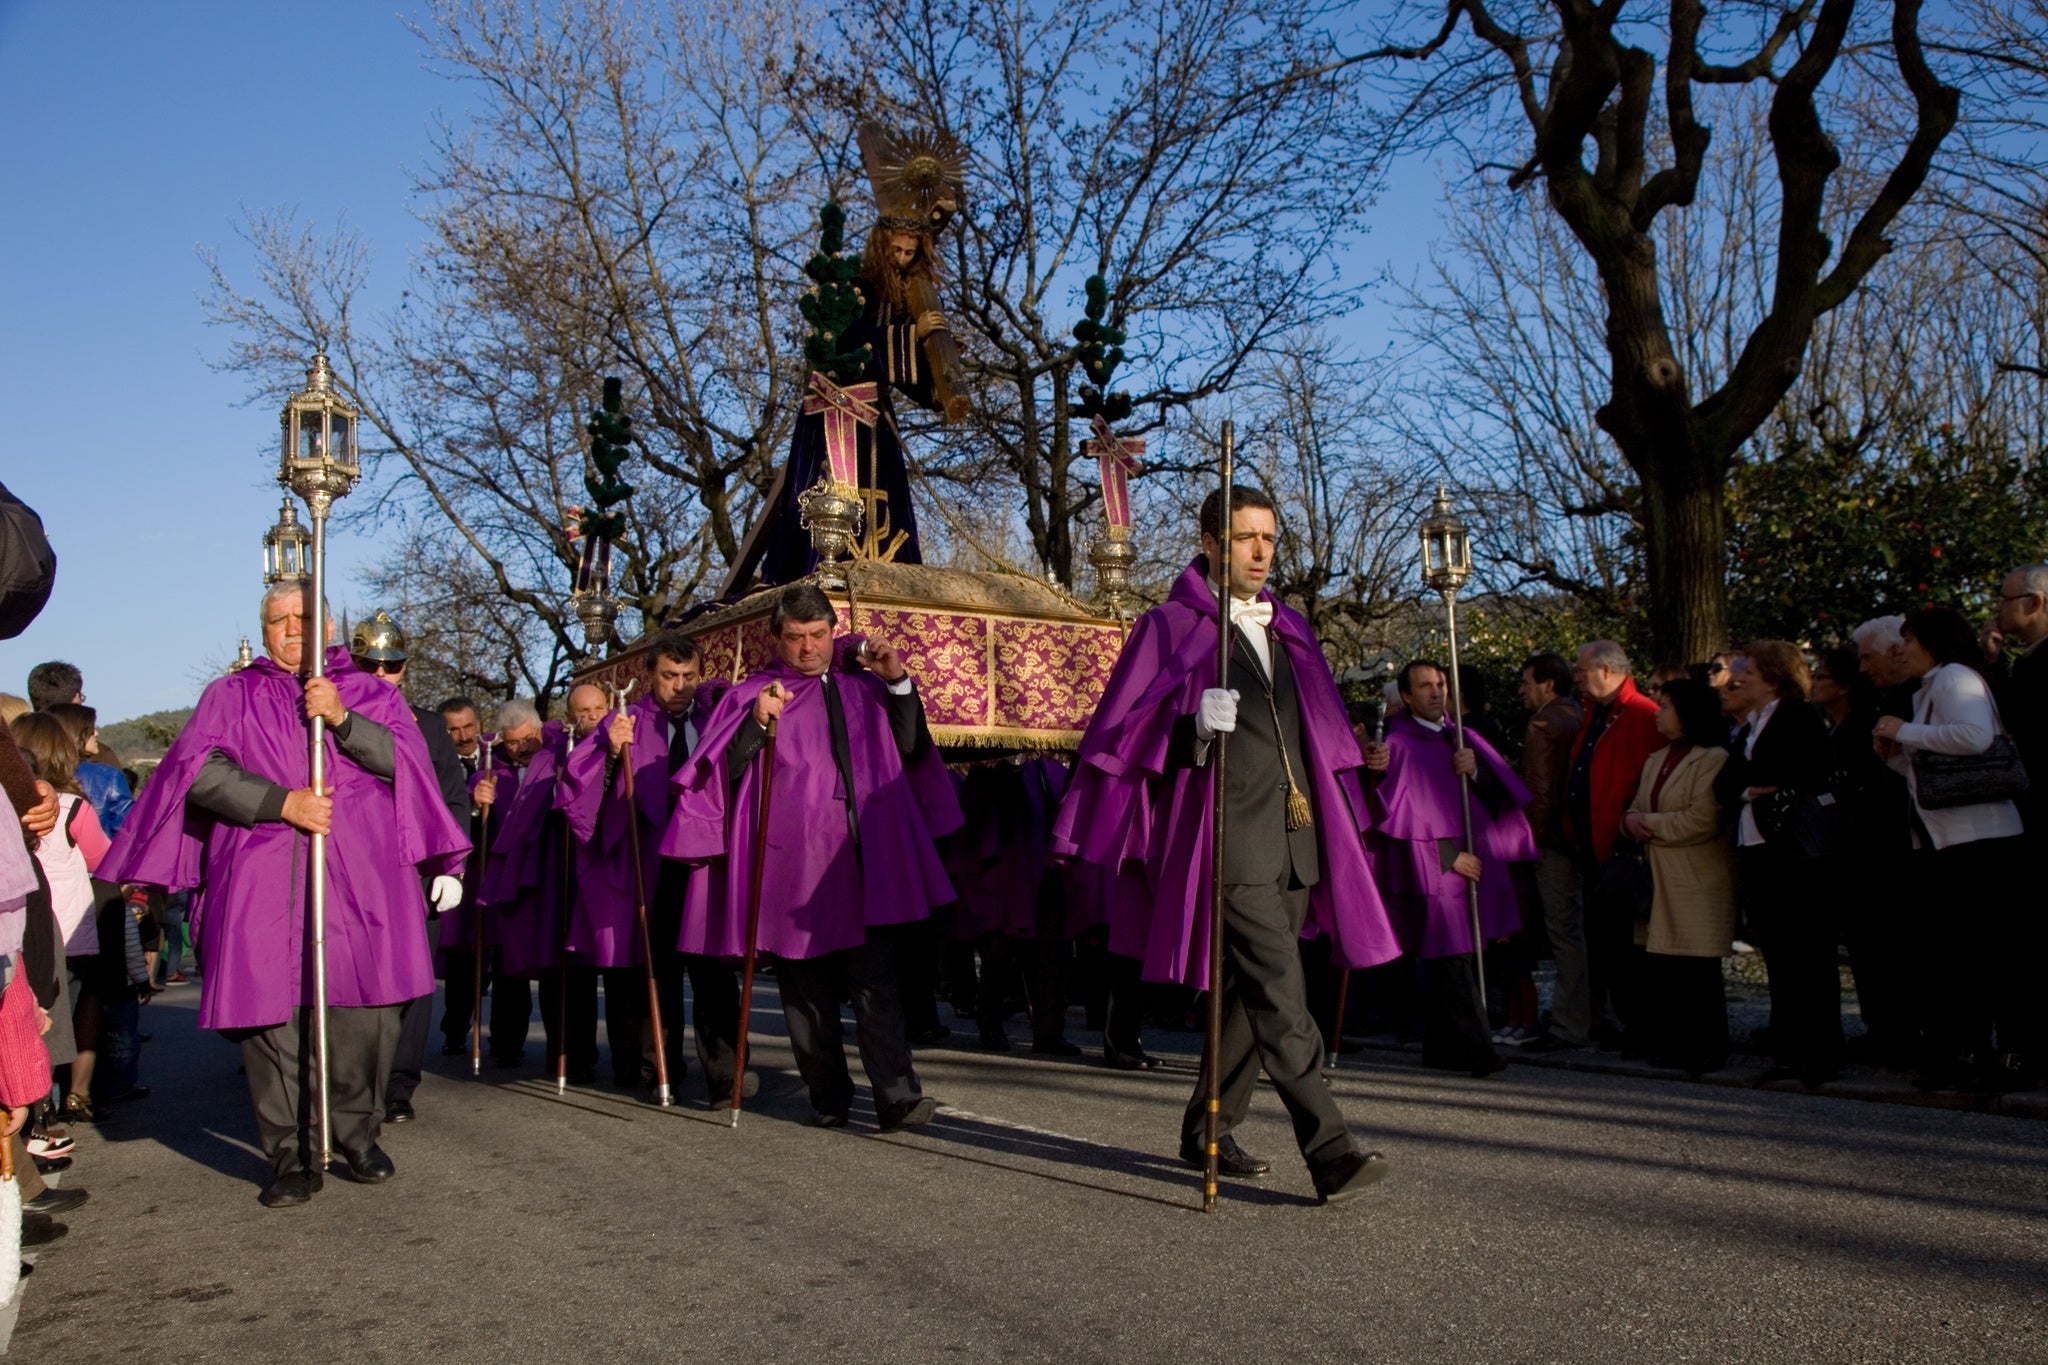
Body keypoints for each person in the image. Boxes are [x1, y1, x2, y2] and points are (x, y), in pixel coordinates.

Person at [1052, 485, 1399, 1205]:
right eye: (1245, 537)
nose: (1262, 551)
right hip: (1228, 841)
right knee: (1280, 990)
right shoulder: (1169, 627)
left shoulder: (1289, 629)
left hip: (1295, 839)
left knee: (1246, 994)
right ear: (1210, 543)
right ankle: (1329, 1147)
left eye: (1269, 537)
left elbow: (1318, 735)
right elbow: (1119, 733)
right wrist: (1191, 730)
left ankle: (1208, 1125)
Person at [98, 580, 469, 1207]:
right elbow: (198, 770)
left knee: (365, 1011)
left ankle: (357, 1131)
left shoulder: (371, 693)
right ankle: (292, 1154)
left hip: (362, 877)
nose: (292, 628)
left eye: (304, 617)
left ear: (328, 625)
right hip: (263, 871)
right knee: (269, 1018)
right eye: (279, 619)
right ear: (264, 629)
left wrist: (343, 720)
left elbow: (407, 765)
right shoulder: (230, 694)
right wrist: (281, 802)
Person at [663, 584, 961, 1129]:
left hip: (858, 858)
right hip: (791, 864)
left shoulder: (863, 686)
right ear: (775, 637)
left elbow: (912, 746)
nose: (808, 648)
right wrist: (756, 722)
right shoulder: (754, 693)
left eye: (818, 635)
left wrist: (897, 682)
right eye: (796, 638)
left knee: (876, 982)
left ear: (833, 631)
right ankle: (828, 1095)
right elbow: (720, 775)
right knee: (806, 992)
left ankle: (898, 1095)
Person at [1873, 607, 2032, 1092]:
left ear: (1934, 642)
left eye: (1910, 639)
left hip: (1980, 839)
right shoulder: (1934, 686)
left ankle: (2006, 1057)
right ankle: (1966, 1053)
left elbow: (1974, 737)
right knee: (1960, 954)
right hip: (1952, 837)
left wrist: (1903, 731)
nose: (1903, 649)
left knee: (1985, 953)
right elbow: (1942, 776)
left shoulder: (1954, 678)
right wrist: (1899, 758)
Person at [1362, 661, 1538, 1075]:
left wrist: (1474, 770)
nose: (1436, 692)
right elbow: (1394, 814)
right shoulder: (1399, 745)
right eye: (1425, 686)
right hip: (1438, 867)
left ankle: (1442, 1048)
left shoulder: (1461, 737)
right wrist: (1448, 856)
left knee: (1458, 957)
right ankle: (1475, 1049)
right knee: (1451, 958)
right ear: (1406, 696)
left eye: (1440, 684)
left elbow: (1498, 798)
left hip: (1474, 862)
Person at [611, 635, 750, 1105]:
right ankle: (661, 1068)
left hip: (705, 863)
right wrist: (611, 755)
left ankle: (726, 1072)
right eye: (669, 676)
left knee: (711, 973)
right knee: (659, 971)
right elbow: (587, 784)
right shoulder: (627, 722)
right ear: (650, 675)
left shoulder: (713, 717)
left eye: (689, 676)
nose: (679, 686)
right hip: (651, 863)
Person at [349, 611, 470, 1124]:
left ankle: (399, 1085)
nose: (382, 676)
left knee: (415, 984)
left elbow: (451, 798)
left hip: (414, 871)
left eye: (392, 666)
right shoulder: (326, 720)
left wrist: (451, 867)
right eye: (369, 666)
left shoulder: (430, 727)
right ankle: (355, 1083)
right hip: (352, 870)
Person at [1714, 645, 1841, 1085]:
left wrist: (1748, 781)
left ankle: (1820, 1054)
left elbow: (1794, 768)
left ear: (1773, 679)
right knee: (1780, 955)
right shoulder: (1749, 727)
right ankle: (1788, 1050)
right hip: (1759, 845)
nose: (1737, 679)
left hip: (1795, 850)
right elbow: (1726, 783)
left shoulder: (1798, 717)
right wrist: (1750, 788)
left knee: (1809, 952)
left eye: (1748, 672)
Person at [1620, 678, 1736, 1076]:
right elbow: (1633, 808)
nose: (1658, 710)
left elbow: (1702, 820)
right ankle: (1672, 1042)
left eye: (1666, 704)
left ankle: (1706, 1047)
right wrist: (1630, 822)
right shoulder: (1657, 758)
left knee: (1696, 967)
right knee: (1664, 965)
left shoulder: (1713, 758)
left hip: (1695, 876)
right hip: (1657, 875)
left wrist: (1644, 822)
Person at [10, 712, 111, 1121]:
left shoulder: (12, 807)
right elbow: (103, 859)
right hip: (71, 929)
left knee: (31, 1016)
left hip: (24, 927)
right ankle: (78, 1093)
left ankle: (38, 1102)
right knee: (81, 1010)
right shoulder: (73, 809)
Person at [1563, 641, 1663, 1050]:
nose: (1577, 677)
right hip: (1593, 849)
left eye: (1582, 669)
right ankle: (1626, 1024)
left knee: (1631, 948)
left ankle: (1644, 1028)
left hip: (1623, 852)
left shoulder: (1640, 715)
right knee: (1608, 944)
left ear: (1606, 670)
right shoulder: (1596, 714)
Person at [467, 700, 551, 1066]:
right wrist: (476, 797)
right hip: (507, 881)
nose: (522, 748)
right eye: (513, 742)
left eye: (528, 739)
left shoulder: (556, 756)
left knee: (553, 967)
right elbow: (470, 796)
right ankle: (504, 1044)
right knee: (507, 965)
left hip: (548, 876)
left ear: (539, 729)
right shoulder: (491, 767)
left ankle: (565, 1052)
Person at [1514, 653, 1587, 1053]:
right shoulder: (1576, 715)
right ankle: (1587, 1014)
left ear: (1548, 684)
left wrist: (1533, 839)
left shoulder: (1543, 723)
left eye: (1527, 682)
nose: (1522, 690)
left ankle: (1568, 1022)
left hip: (1553, 840)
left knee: (1563, 932)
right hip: (1576, 836)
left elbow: (1538, 790)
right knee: (1577, 930)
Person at [41, 703, 131, 838]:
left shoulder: (36, 775)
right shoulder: (109, 777)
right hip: (103, 857)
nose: (96, 733)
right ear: (76, 733)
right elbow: (128, 834)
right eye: (90, 729)